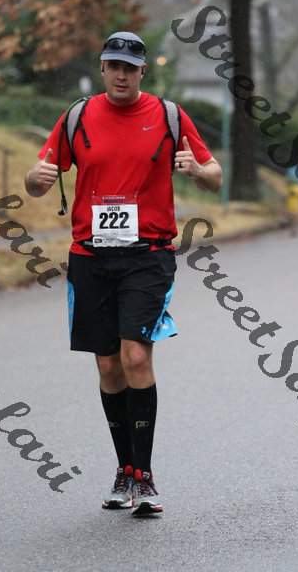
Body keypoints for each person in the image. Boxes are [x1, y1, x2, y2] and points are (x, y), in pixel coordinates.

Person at [25, 31, 222, 515]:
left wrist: (197, 171)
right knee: (109, 365)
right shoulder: (76, 117)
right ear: (102, 67)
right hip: (90, 257)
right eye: (113, 65)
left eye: (129, 68)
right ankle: (124, 469)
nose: (120, 75)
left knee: (135, 355)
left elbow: (215, 175)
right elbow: (36, 180)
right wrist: (35, 179)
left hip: (147, 255)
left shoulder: (169, 116)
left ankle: (146, 477)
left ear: (141, 72)